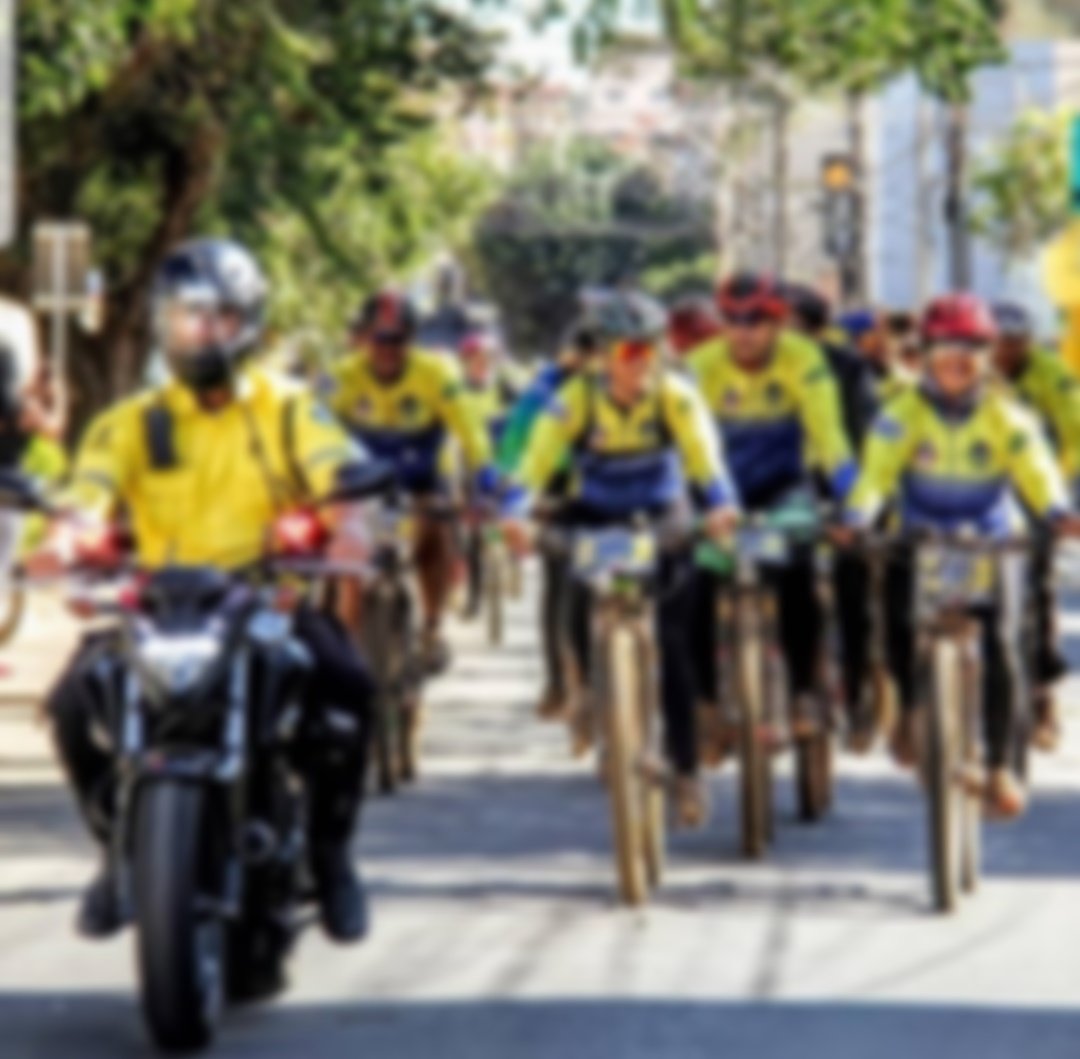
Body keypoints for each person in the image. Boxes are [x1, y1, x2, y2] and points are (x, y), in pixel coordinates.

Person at [33, 238, 379, 943]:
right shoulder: (131, 420)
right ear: (164, 324)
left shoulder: (289, 409)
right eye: (186, 316)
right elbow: (88, 494)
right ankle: (116, 853)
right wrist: (62, 543)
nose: (201, 331)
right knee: (71, 704)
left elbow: (336, 472)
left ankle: (333, 855)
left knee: (348, 686)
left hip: (262, 604)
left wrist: (350, 527)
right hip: (157, 611)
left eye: (217, 316)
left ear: (247, 321)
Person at [502, 290, 739, 827]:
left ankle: (685, 770)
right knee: (570, 592)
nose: (640, 364)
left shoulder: (676, 396)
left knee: (676, 644)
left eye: (650, 351)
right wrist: (516, 511)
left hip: (663, 514)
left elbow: (706, 460)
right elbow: (535, 461)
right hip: (596, 514)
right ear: (603, 355)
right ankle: (586, 689)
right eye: (627, 353)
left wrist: (722, 507)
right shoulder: (574, 399)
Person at [840, 293, 1080, 818]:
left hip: (992, 538)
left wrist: (1058, 511)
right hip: (919, 537)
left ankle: (998, 765)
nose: (957, 359)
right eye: (945, 347)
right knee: (896, 625)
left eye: (970, 348)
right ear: (925, 353)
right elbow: (876, 475)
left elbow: (1035, 468)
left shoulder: (1006, 413)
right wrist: (858, 517)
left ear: (988, 355)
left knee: (1003, 644)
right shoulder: (900, 414)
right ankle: (907, 708)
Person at [689, 273, 856, 740]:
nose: (744, 332)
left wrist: (854, 500)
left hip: (784, 490)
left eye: (757, 320)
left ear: (779, 322)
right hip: (718, 495)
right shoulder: (698, 365)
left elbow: (829, 438)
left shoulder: (805, 359)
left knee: (799, 570)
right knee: (693, 584)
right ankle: (703, 703)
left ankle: (804, 691)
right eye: (732, 320)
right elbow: (681, 443)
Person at [323, 290, 497, 674]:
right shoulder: (340, 376)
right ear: (365, 337)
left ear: (412, 339)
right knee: (344, 564)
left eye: (397, 340)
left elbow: (469, 426)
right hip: (361, 487)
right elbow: (309, 425)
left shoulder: (437, 374)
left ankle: (432, 626)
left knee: (437, 533)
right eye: (378, 339)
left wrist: (484, 470)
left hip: (420, 483)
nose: (387, 350)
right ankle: (343, 649)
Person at [784, 283, 881, 747]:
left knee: (853, 583)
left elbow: (868, 442)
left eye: (788, 325)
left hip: (836, 493)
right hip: (770, 497)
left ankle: (858, 694)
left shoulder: (849, 369)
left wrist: (858, 507)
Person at [498, 308, 603, 720]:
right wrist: (515, 495)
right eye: (590, 355)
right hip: (559, 491)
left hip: (621, 491)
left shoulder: (647, 389)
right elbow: (517, 447)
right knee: (561, 585)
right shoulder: (545, 393)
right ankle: (559, 679)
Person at [991, 301, 1080, 750]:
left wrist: (1058, 489)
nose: (1004, 353)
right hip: (979, 488)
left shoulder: (1050, 372)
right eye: (997, 343)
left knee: (1038, 585)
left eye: (1013, 343)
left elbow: (1074, 425)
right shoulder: (970, 370)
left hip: (1038, 489)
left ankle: (1043, 689)